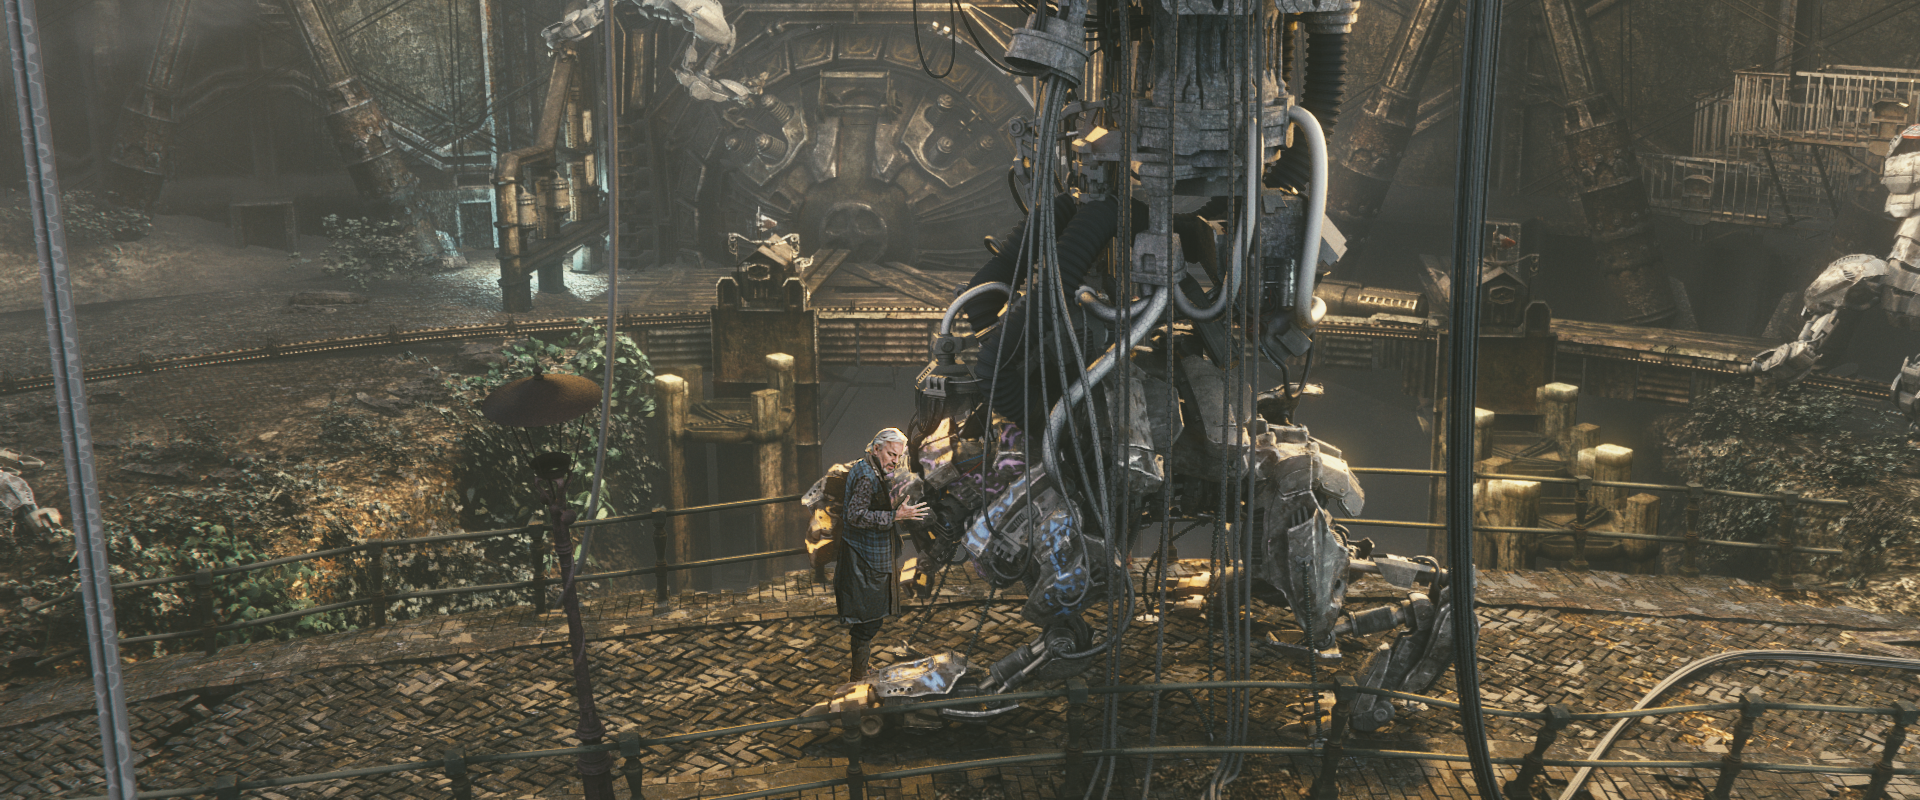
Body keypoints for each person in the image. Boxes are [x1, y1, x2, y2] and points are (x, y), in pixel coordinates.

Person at [836, 427, 928, 681]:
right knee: (869, 619)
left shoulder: (868, 467)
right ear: (876, 449)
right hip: (864, 558)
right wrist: (895, 516)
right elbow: (854, 516)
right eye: (890, 454)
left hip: (868, 556)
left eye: (898, 456)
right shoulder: (867, 476)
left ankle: (861, 669)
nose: (894, 461)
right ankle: (858, 674)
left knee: (869, 617)